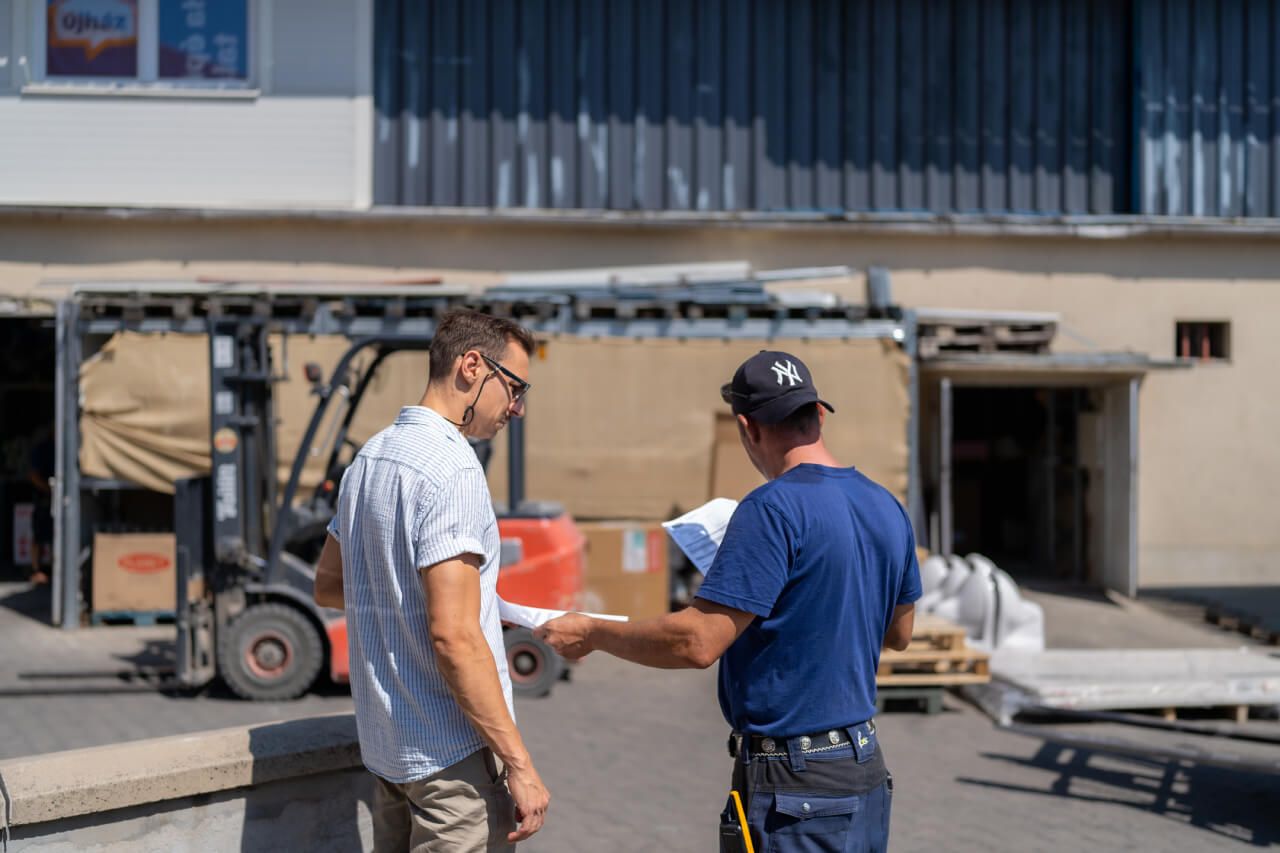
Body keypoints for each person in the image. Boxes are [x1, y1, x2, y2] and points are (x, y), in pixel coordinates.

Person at [537, 349, 921, 852]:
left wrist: (593, 632)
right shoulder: (884, 505)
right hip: (863, 770)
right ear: (819, 414)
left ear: (748, 427)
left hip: (795, 788)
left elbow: (697, 643)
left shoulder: (772, 508)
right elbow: (900, 634)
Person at [313, 310, 550, 852]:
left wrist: (473, 603)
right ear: (472, 366)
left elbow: (330, 586)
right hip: (452, 761)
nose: (516, 406)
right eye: (513, 387)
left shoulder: (368, 460)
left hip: (389, 755)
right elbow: (454, 637)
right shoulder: (453, 468)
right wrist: (520, 764)